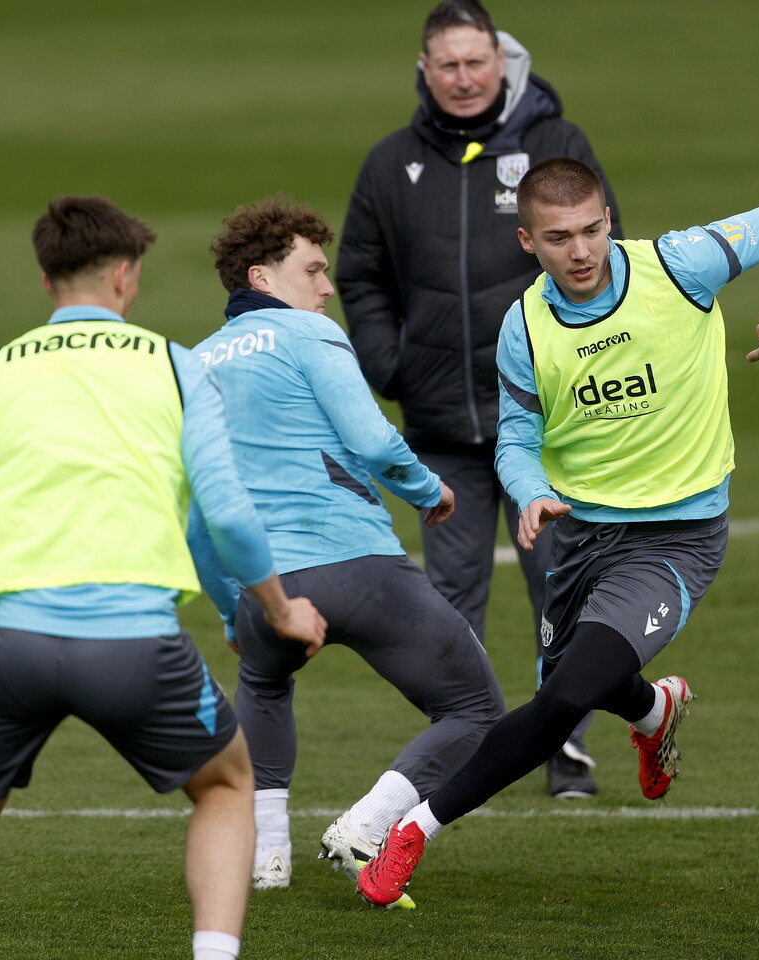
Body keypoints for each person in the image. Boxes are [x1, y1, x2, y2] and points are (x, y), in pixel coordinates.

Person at [356, 157, 759, 907]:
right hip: (580, 539)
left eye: (591, 231)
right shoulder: (524, 327)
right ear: (527, 241)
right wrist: (532, 493)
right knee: (576, 678)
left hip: (676, 540)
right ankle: (654, 710)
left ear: (609, 221)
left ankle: (413, 831)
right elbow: (516, 438)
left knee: (562, 700)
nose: (580, 252)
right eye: (558, 237)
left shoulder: (679, 266)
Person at [0, 196, 326, 960]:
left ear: (47, 280)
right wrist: (280, 609)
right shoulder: (174, 365)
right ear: (124, 276)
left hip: (14, 647)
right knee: (226, 787)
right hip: (136, 648)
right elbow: (227, 513)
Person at [336, 0, 623, 799]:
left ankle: (564, 747)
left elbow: (603, 260)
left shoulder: (555, 146)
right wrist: (390, 364)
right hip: (441, 428)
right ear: (424, 72)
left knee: (564, 588)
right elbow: (358, 273)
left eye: (475, 62)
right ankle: (465, 743)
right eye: (448, 65)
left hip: (548, 425)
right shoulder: (391, 164)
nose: (463, 79)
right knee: (449, 605)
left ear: (503, 63)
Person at [188, 196, 506, 905]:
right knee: (476, 710)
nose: (327, 287)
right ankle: (367, 825)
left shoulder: (195, 364)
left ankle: (267, 858)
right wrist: (427, 488)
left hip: (265, 586)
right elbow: (370, 439)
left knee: (265, 684)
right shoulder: (308, 333)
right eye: (312, 270)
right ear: (262, 278)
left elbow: (196, 518)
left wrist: (232, 608)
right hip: (357, 566)